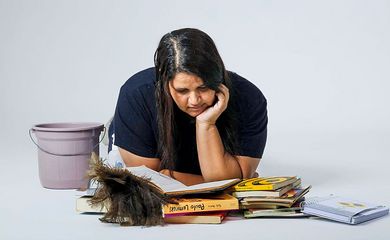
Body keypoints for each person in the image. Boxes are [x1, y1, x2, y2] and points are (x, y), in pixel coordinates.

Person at [111, 28, 267, 186]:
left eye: (203, 88)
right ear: (165, 84)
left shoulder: (249, 98)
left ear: (218, 78)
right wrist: (227, 182)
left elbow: (231, 184)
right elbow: (148, 183)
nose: (194, 100)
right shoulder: (137, 95)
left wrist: (206, 124)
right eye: (182, 91)